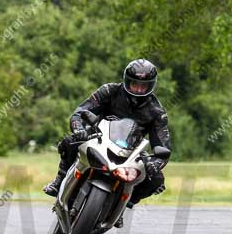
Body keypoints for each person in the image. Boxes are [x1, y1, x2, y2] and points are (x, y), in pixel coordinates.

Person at [43, 59, 171, 222]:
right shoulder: (109, 91)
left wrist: (155, 163)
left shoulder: (157, 112)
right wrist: (79, 129)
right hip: (98, 137)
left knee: (156, 180)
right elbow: (80, 112)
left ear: (151, 85)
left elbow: (163, 147)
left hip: (130, 152)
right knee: (69, 142)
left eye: (143, 86)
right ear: (127, 81)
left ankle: (122, 206)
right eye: (135, 84)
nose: (139, 89)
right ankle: (59, 180)